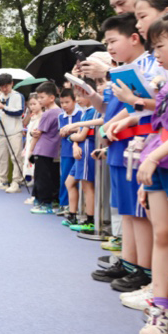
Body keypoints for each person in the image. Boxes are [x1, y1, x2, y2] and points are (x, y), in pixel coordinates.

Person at [89, 13, 157, 293]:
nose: (110, 48)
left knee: (140, 213)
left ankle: (145, 271)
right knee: (128, 211)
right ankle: (131, 264)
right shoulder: (123, 71)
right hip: (120, 146)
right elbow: (113, 111)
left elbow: (143, 111)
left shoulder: (150, 67)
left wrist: (124, 117)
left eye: (112, 41)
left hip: (139, 146)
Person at [136, 12, 168, 334]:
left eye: (161, 45)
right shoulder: (166, 79)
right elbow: (162, 126)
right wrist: (147, 166)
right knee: (163, 234)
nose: (155, 53)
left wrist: (152, 156)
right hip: (162, 165)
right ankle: (161, 307)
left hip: (165, 160)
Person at [60, 86, 100, 230]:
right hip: (80, 148)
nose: (77, 99)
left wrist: (71, 135)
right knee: (69, 182)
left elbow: (82, 135)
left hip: (87, 148)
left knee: (87, 185)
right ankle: (72, 215)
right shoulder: (85, 112)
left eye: (80, 96)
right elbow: (78, 135)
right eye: (76, 96)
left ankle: (90, 219)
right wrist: (74, 141)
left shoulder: (93, 111)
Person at [0, 74, 25, 193]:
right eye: (1, 87)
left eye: (6, 86)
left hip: (14, 132)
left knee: (16, 158)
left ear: (12, 83)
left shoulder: (18, 96)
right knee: (1, 157)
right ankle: (2, 180)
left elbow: (19, 112)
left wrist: (3, 107)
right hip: (1, 132)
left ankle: (16, 182)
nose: (4, 89)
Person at [28, 82, 62, 214]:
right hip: (53, 150)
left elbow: (38, 133)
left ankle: (44, 203)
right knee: (51, 176)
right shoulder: (59, 111)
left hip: (43, 149)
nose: (39, 100)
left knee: (42, 177)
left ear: (51, 97)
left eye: (42, 97)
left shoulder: (48, 114)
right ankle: (49, 201)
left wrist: (30, 150)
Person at [56, 89, 82, 215]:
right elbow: (61, 131)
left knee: (78, 179)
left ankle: (77, 206)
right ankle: (64, 204)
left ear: (74, 101)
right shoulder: (61, 116)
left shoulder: (81, 113)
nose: (64, 105)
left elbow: (82, 128)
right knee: (65, 177)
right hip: (66, 151)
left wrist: (71, 129)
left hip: (79, 151)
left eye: (67, 102)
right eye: (62, 103)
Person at [22, 94, 42, 205]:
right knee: (33, 173)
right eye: (30, 104)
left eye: (35, 104)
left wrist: (31, 150)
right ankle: (35, 196)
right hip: (29, 146)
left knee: (36, 172)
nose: (32, 106)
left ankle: (36, 196)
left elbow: (36, 135)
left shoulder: (42, 117)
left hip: (36, 148)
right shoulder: (33, 117)